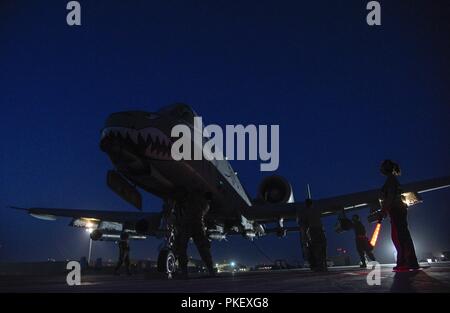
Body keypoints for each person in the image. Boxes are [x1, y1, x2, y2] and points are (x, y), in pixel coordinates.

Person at [380, 159, 419, 271]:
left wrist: (384, 210)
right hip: (397, 210)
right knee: (401, 235)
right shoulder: (392, 179)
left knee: (401, 236)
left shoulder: (391, 180)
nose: (380, 169)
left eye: (382, 167)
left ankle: (408, 261)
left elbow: (390, 197)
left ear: (386, 168)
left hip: (396, 209)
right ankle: (408, 261)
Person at [174, 191, 215, 278]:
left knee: (182, 247)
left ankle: (184, 272)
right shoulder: (205, 204)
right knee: (203, 248)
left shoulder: (190, 200)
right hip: (197, 225)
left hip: (187, 225)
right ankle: (211, 270)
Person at [300, 198, 328, 272]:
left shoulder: (305, 212)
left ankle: (318, 265)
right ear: (312, 204)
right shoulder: (317, 210)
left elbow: (303, 222)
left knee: (316, 248)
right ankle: (324, 265)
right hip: (320, 230)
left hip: (313, 230)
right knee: (323, 246)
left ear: (306, 204)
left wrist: (305, 234)